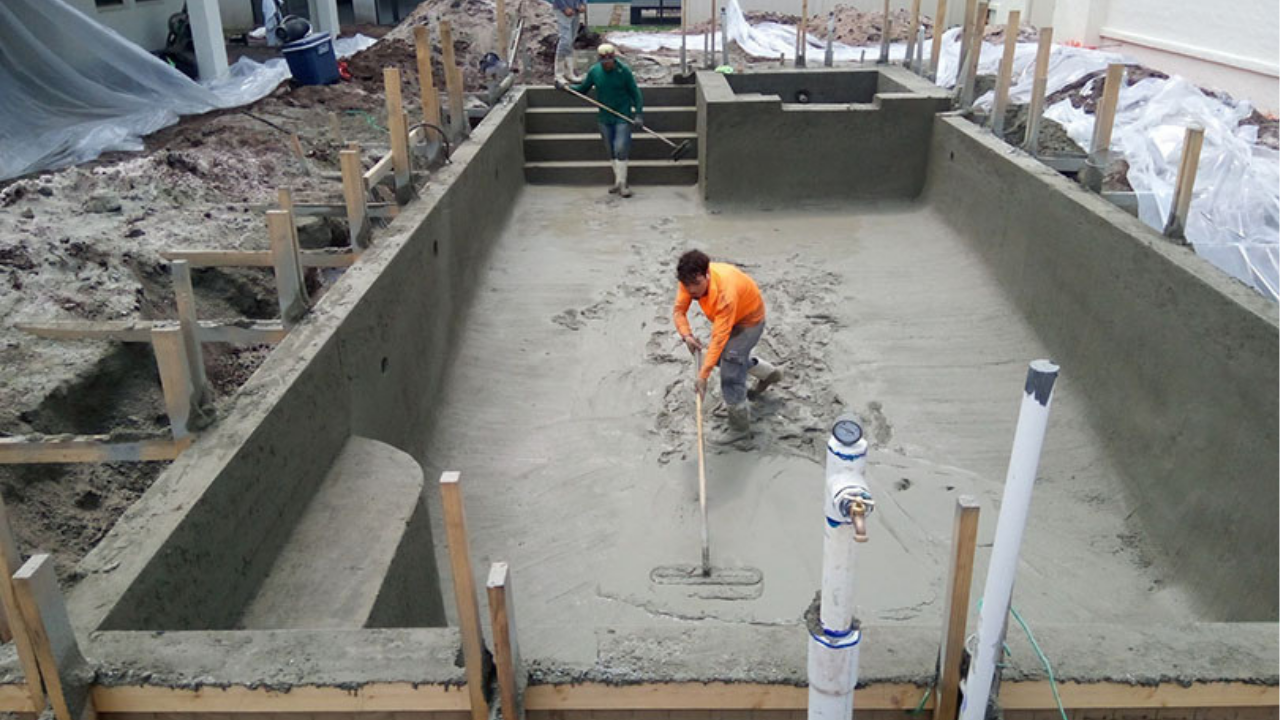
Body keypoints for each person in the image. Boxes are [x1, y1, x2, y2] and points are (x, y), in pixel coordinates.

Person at [672, 250, 783, 444]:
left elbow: (719, 338)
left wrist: (703, 377)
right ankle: (769, 374)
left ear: (707, 274)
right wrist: (686, 335)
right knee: (724, 359)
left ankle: (740, 428)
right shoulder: (689, 281)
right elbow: (679, 311)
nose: (692, 291)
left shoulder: (725, 294)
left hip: (749, 322)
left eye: (696, 284)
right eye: (687, 286)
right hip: (729, 319)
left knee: (730, 374)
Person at [556, 44, 644, 197]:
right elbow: (583, 89)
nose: (607, 64)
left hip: (622, 115)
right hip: (604, 117)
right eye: (604, 61)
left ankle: (623, 183)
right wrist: (566, 88)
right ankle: (618, 181)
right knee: (610, 150)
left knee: (620, 148)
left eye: (609, 61)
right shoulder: (595, 71)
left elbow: (636, 94)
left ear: (614, 59)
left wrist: (638, 114)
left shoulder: (624, 71)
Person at [550, 0, 588, 82]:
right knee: (565, 40)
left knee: (570, 41)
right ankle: (559, 74)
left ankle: (569, 72)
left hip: (576, 9)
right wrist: (564, 7)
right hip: (562, 10)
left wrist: (583, 3)